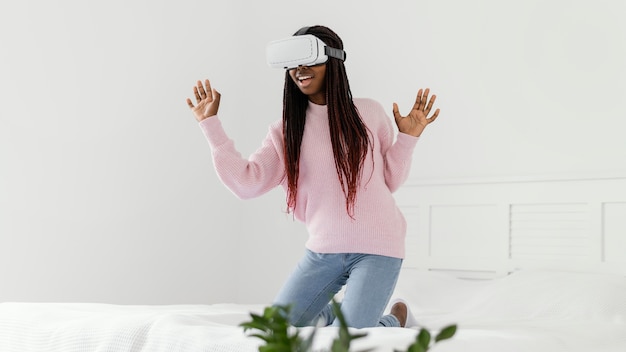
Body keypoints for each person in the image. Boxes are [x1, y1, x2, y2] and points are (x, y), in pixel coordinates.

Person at [186, 25, 439, 328]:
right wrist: (210, 125)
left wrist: (407, 139)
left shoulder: (369, 113)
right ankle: (339, 313)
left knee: (347, 343)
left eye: (310, 58)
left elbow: (390, 181)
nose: (300, 69)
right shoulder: (286, 130)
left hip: (378, 247)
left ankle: (396, 319)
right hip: (323, 251)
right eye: (293, 62)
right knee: (275, 329)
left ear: (333, 60)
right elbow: (247, 183)